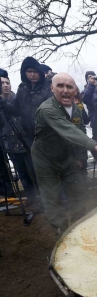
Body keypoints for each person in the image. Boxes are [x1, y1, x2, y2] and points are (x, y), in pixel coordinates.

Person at [32, 73, 97, 234]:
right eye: (60, 86)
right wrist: (96, 146)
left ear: (75, 90)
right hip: (46, 160)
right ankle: (61, 232)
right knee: (52, 198)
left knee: (79, 192)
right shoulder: (47, 109)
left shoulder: (76, 109)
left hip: (67, 157)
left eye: (69, 87)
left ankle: (78, 228)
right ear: (52, 88)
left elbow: (81, 131)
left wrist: (81, 158)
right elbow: (68, 131)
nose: (65, 90)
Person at [0, 71, 36, 203]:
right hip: (10, 145)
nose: (5, 86)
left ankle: (42, 197)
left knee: (34, 170)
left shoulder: (19, 99)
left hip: (26, 142)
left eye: (7, 83)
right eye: (2, 83)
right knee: (22, 174)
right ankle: (32, 199)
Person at [7, 57, 53, 147]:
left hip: (47, 137)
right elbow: (16, 109)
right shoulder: (22, 88)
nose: (32, 74)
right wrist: (3, 103)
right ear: (24, 73)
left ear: (40, 72)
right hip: (28, 138)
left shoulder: (48, 89)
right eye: (29, 71)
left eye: (35, 71)